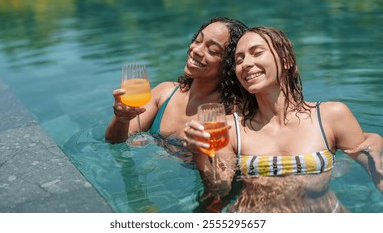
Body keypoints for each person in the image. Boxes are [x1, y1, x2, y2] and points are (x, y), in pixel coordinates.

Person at [184, 26, 383, 212]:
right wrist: (200, 153)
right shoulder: (229, 128)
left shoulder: (331, 116)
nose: (246, 64)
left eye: (257, 52)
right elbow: (220, 189)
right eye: (239, 59)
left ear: (286, 59)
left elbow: (375, 167)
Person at [105, 17, 248, 147]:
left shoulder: (232, 111)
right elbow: (114, 141)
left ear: (230, 64)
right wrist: (121, 119)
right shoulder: (165, 93)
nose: (196, 50)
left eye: (212, 50)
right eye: (198, 41)